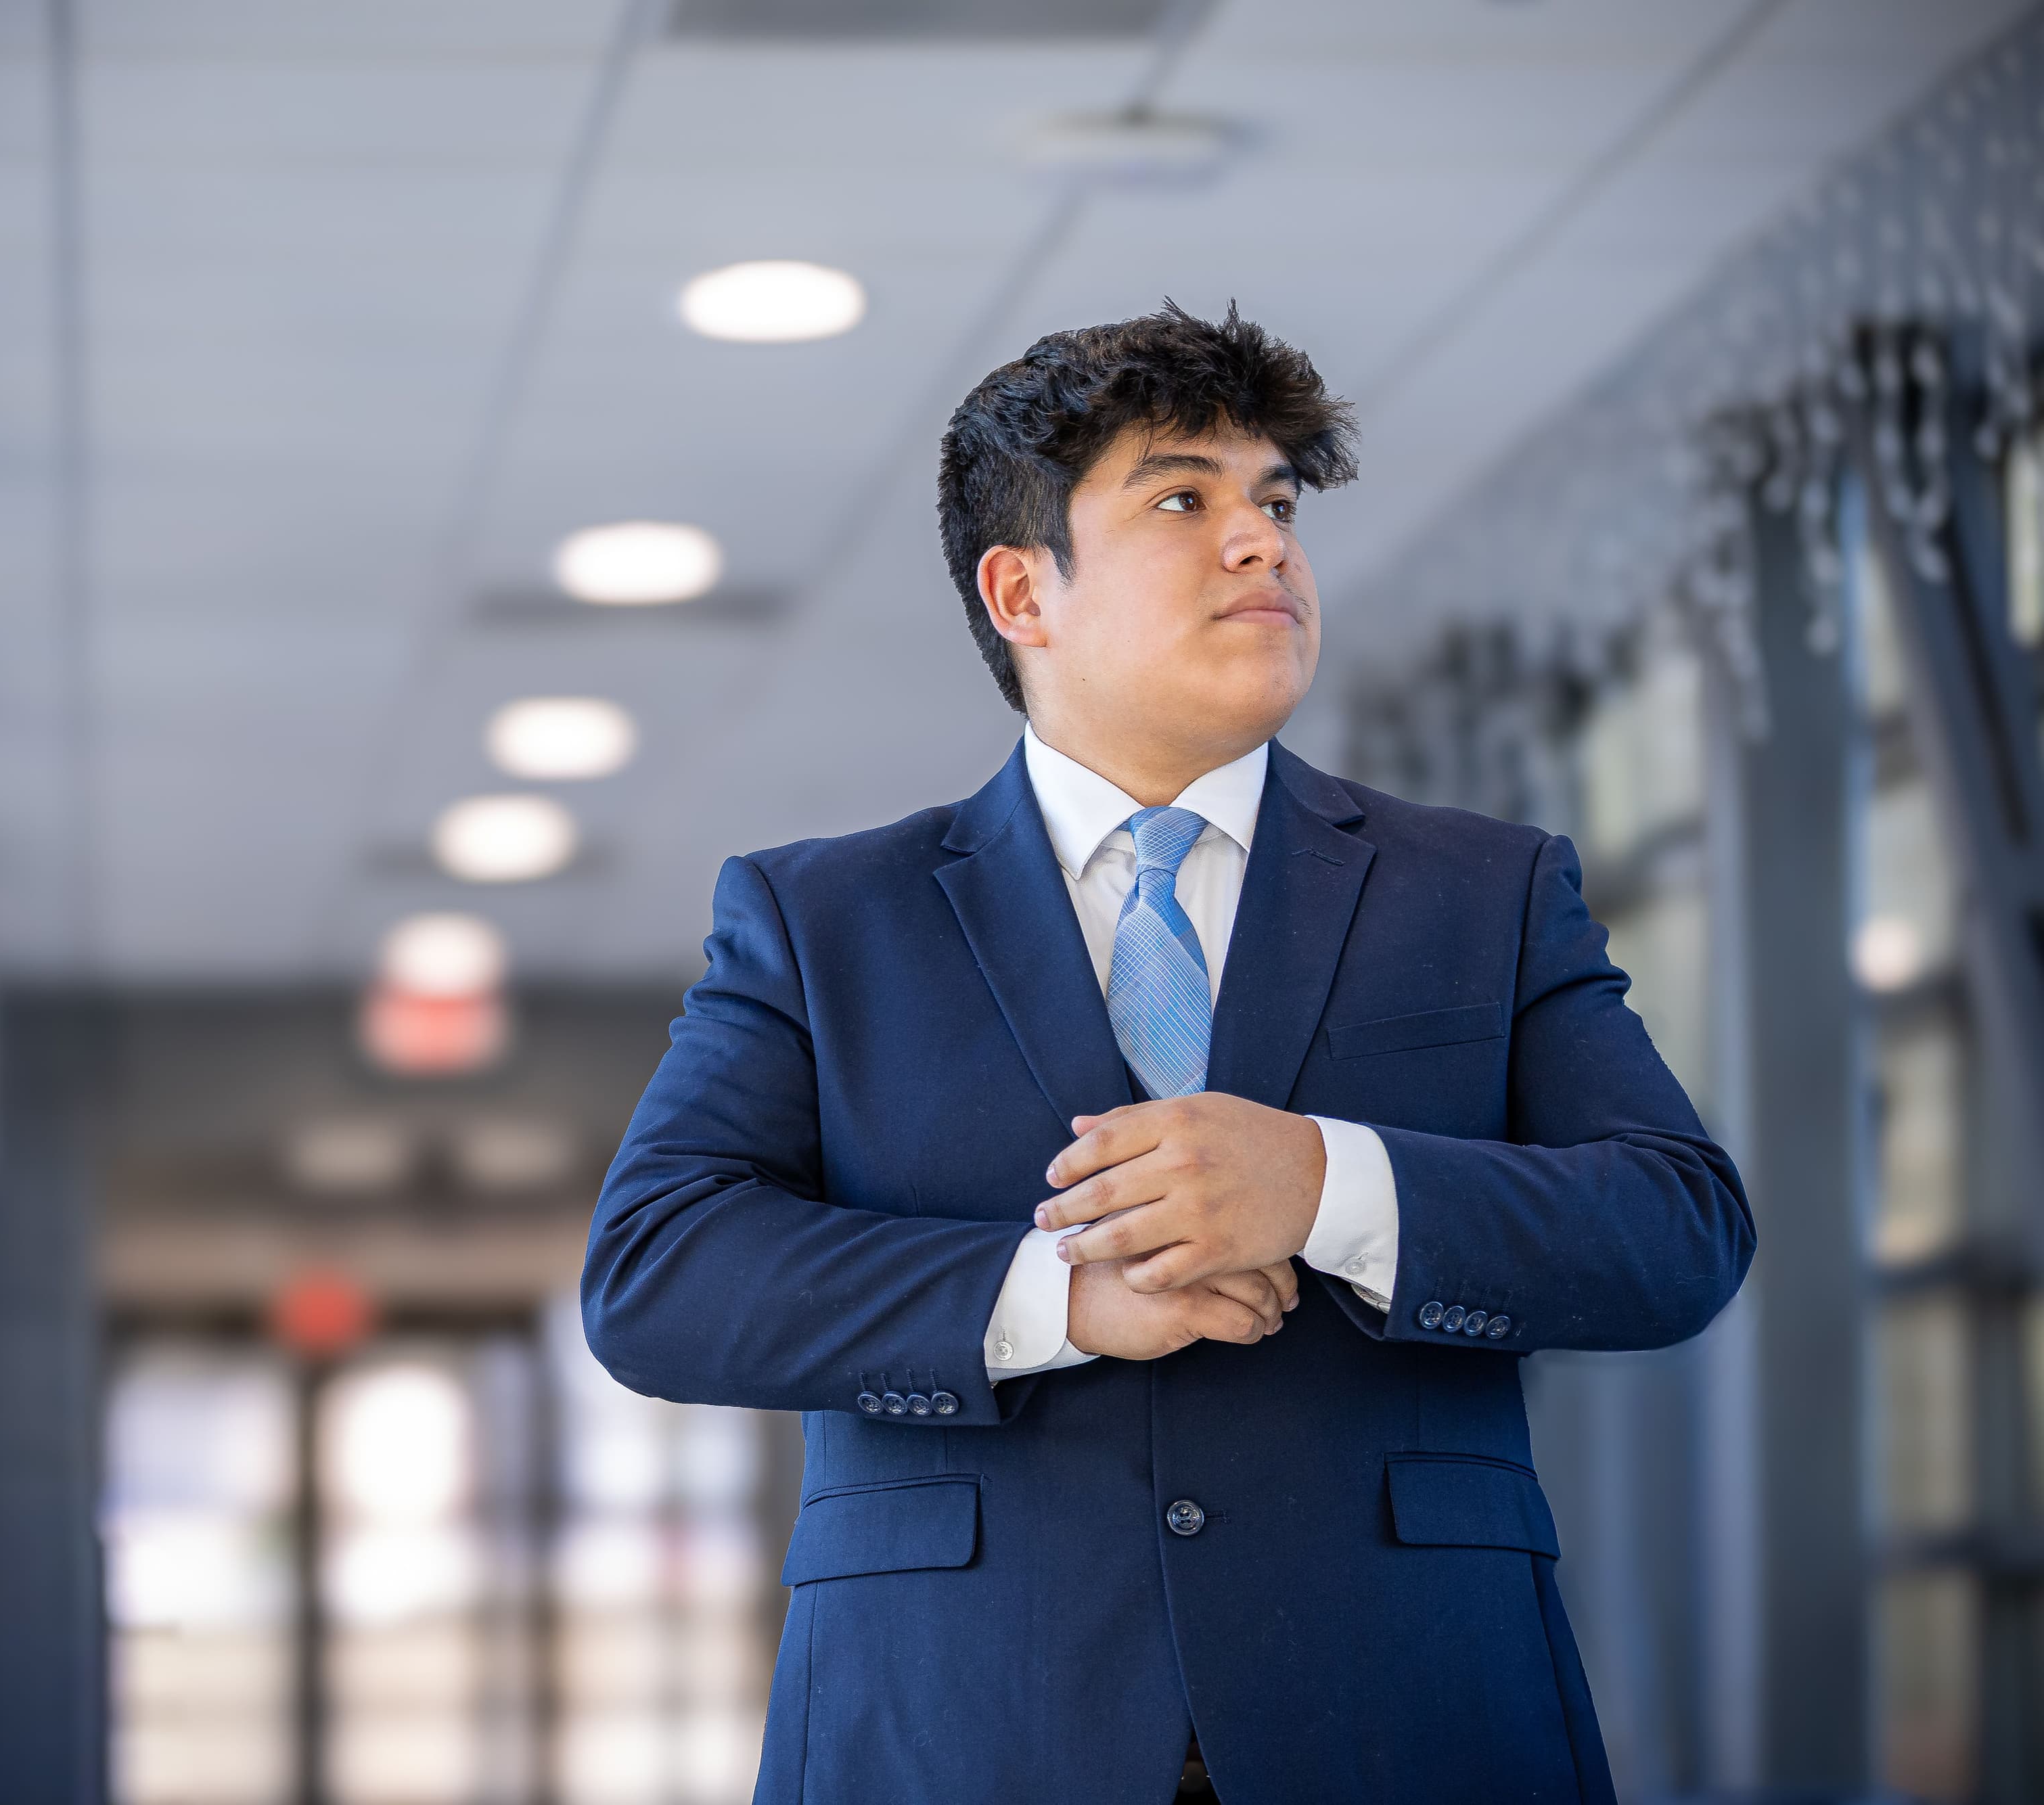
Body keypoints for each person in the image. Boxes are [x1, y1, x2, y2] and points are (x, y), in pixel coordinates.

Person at [581, 302, 1751, 1804]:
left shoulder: (1489, 887)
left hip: (1412, 1722)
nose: (1261, 541)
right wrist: (1058, 1295)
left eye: (1275, 501)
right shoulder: (823, 918)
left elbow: (1680, 1226)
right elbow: (658, 1272)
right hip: (959, 1729)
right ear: (1023, 590)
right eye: (1183, 500)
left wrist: (1328, 1183)